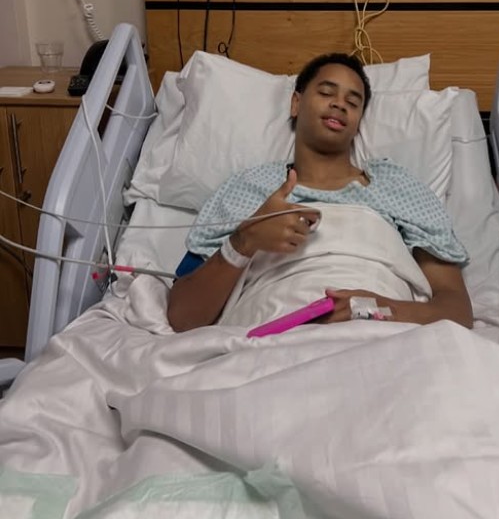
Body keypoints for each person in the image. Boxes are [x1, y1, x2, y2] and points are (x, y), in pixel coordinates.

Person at [167, 53, 473, 333]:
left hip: (382, 336)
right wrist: (244, 241)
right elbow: (183, 317)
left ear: (358, 122)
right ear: (296, 104)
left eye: (353, 102)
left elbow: (456, 312)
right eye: (326, 93)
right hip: (269, 336)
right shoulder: (250, 188)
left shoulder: (397, 186)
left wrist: (374, 308)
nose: (339, 104)